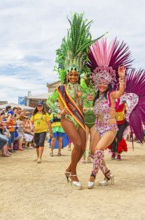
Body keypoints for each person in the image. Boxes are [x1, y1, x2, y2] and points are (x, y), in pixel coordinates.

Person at [46, 13, 101, 189]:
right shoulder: (61, 89)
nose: (73, 76)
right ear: (66, 75)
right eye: (70, 74)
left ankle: (69, 169)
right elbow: (49, 102)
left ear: (78, 75)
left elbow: (89, 102)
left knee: (82, 147)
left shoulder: (83, 89)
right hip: (68, 119)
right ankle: (74, 174)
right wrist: (58, 111)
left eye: (75, 74)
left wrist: (89, 104)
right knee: (77, 144)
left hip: (81, 119)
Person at [87, 64, 126, 189]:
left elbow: (121, 92)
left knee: (99, 150)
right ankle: (108, 175)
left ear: (108, 84)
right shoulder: (96, 98)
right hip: (98, 127)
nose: (102, 85)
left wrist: (121, 78)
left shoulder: (111, 95)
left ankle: (92, 175)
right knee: (93, 153)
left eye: (105, 83)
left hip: (110, 127)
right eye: (100, 83)